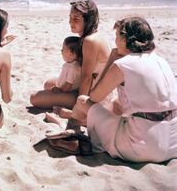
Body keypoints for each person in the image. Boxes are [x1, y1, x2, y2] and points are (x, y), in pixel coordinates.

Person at [60, 17, 177, 162]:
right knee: (115, 104)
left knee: (82, 101)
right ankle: (85, 126)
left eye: (116, 37)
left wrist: (111, 60)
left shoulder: (123, 64)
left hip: (141, 147)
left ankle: (71, 138)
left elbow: (94, 97)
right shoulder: (161, 60)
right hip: (172, 143)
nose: (115, 42)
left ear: (125, 39)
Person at [30, 0, 110, 110]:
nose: (70, 22)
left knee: (34, 98)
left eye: (76, 19)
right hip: (88, 86)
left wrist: (80, 106)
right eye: (70, 17)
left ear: (88, 21)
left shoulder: (90, 41)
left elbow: (86, 78)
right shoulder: (87, 38)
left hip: (93, 94)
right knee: (48, 84)